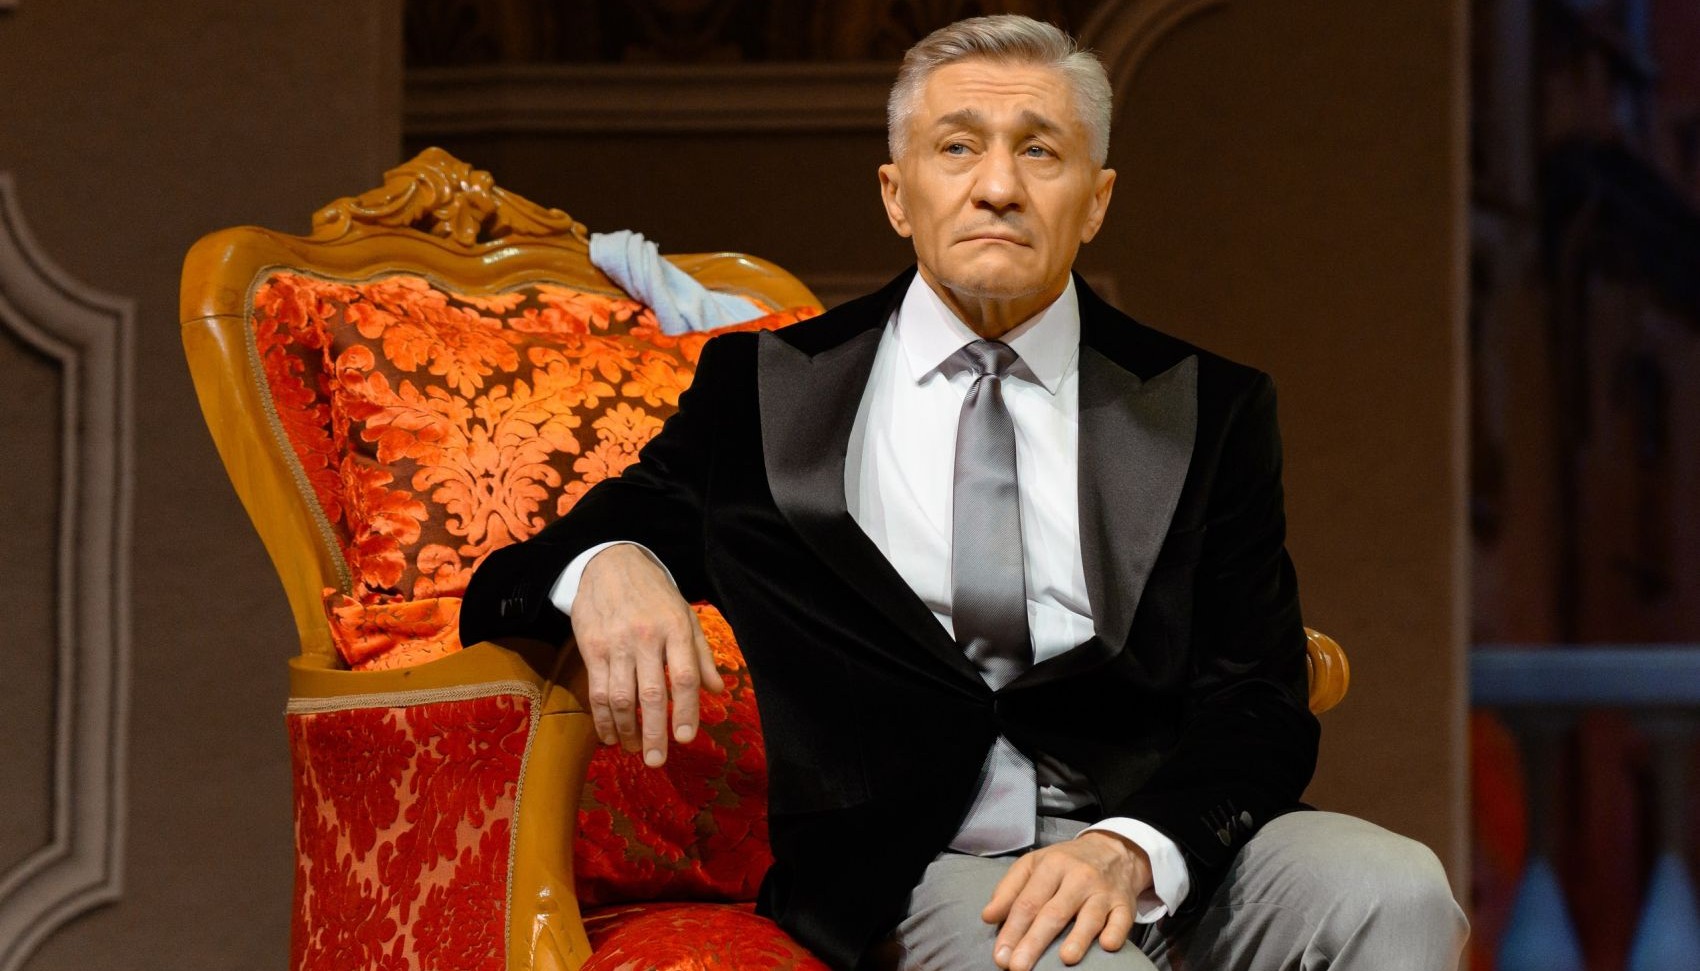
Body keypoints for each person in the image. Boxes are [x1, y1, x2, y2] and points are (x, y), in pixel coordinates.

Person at [461, 14, 1467, 971]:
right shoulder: (768, 394)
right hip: (917, 860)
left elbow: (1261, 698)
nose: (997, 187)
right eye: (956, 148)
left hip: (1156, 844)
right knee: (1068, 957)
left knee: (1396, 888)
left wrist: (1134, 846)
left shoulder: (1205, 406)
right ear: (896, 194)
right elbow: (505, 584)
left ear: (1096, 199)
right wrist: (612, 563)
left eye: (1039, 151)